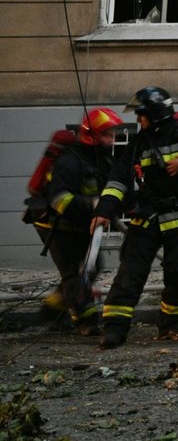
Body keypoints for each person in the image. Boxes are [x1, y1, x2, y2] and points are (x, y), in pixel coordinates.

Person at [94, 86, 178, 349]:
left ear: (155, 112)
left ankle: (171, 327)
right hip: (147, 217)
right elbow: (118, 179)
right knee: (130, 274)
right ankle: (114, 330)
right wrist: (104, 210)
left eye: (141, 115)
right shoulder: (138, 143)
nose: (138, 120)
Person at [25, 107, 125, 336]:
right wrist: (92, 205)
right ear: (92, 135)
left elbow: (110, 186)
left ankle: (52, 309)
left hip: (81, 223)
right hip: (57, 226)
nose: (112, 140)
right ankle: (86, 323)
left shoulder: (101, 158)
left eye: (113, 135)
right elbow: (59, 200)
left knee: (93, 266)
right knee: (75, 274)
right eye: (107, 135)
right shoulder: (69, 162)